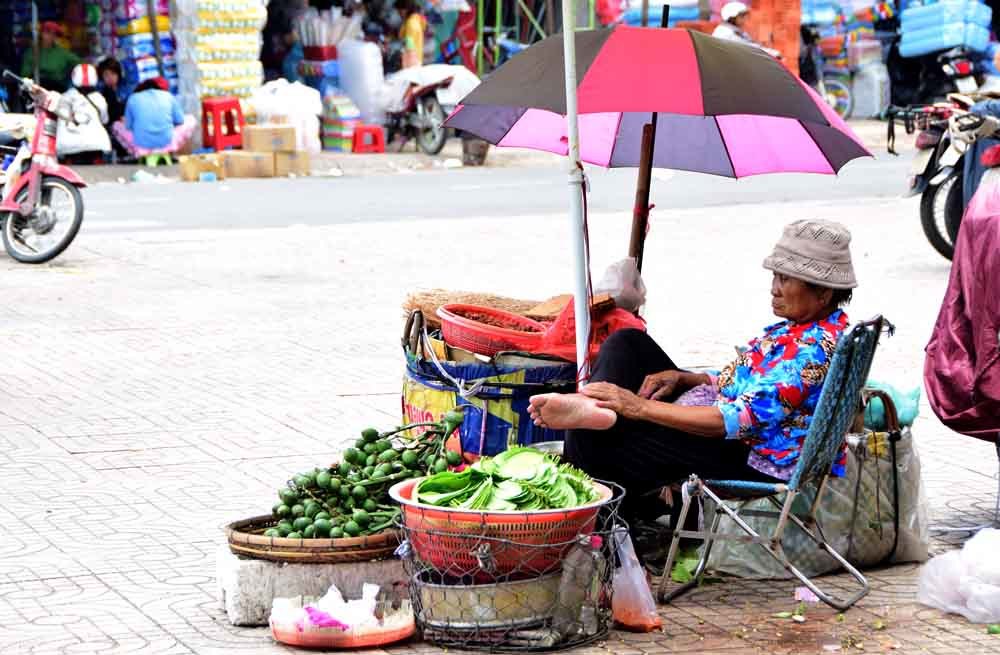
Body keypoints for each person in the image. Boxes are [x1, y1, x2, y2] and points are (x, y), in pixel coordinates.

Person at [528, 219, 857, 538]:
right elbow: (742, 380)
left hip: (750, 457)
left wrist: (637, 407)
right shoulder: (803, 330)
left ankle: (603, 543)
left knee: (593, 438)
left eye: (786, 280)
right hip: (732, 431)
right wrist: (686, 379)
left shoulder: (811, 352)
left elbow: (733, 420)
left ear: (824, 292)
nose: (774, 288)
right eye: (775, 276)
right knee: (627, 343)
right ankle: (594, 407)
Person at [112, 77, 196, 158]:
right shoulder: (168, 96)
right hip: (166, 143)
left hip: (141, 146)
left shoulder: (133, 98)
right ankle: (167, 149)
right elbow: (180, 120)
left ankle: (138, 152)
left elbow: (128, 126)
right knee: (190, 119)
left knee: (116, 125)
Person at [56, 63, 112, 162]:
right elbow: (105, 120)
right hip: (96, 145)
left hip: (67, 145)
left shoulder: (64, 97)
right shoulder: (99, 98)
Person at [20, 22, 81, 92]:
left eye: (54, 34)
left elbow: (78, 62)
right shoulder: (32, 52)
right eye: (48, 32)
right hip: (37, 89)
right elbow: (25, 75)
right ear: (41, 34)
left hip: (57, 89)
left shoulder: (62, 53)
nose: (51, 36)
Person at [712, 2, 780, 58]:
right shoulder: (726, 33)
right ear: (732, 18)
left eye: (745, 15)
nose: (745, 18)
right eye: (742, 16)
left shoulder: (733, 30)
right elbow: (750, 48)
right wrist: (773, 53)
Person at [396, 0, 427, 69]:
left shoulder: (410, 23)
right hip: (417, 58)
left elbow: (410, 45)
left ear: (405, 10)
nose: (399, 14)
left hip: (412, 62)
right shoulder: (416, 20)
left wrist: (408, 66)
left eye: (399, 11)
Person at [97, 57, 126, 126]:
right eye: (106, 75)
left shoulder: (126, 89)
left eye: (113, 73)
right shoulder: (102, 95)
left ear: (118, 74)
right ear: (102, 77)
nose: (110, 77)